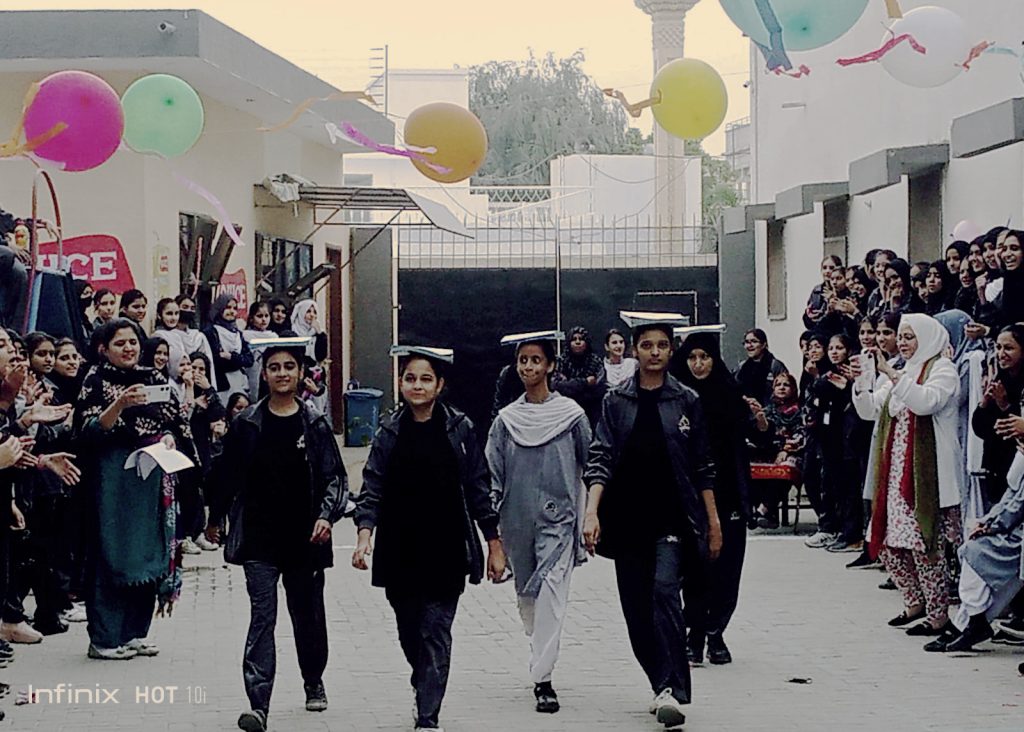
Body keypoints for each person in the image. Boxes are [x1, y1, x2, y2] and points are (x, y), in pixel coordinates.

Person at [353, 345, 504, 732]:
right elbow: (372, 485)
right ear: (401, 384)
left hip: (447, 547)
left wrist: (494, 543)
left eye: (425, 379)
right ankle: (422, 680)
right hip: (399, 549)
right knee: (409, 630)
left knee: (435, 630)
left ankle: (428, 717)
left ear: (439, 385)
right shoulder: (389, 431)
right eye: (410, 378)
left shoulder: (460, 428)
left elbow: (478, 487)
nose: (417, 386)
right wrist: (364, 535)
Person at [205, 337, 348, 732]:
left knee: (307, 615)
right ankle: (259, 704)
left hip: (306, 539)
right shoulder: (247, 423)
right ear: (264, 375)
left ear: (300, 374)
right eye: (274, 368)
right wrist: (215, 518)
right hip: (259, 538)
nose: (282, 374)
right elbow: (227, 474)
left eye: (289, 367)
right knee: (262, 618)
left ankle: (313, 678)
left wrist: (326, 517)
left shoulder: (314, 423)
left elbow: (335, 478)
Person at [583, 312, 718, 729]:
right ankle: (659, 683)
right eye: (646, 345)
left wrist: (713, 522)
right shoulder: (616, 401)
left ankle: (672, 688)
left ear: (670, 350)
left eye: (661, 345)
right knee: (636, 610)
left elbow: (703, 466)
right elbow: (600, 457)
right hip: (626, 520)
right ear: (634, 350)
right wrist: (591, 511)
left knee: (664, 593)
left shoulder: (686, 400)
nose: (654, 352)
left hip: (673, 518)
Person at [486, 332, 591, 713]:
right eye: (523, 360)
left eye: (535, 360)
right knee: (529, 599)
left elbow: (590, 464)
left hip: (559, 522)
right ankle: (539, 648)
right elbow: (492, 475)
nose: (528, 367)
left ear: (550, 366)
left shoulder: (571, 416)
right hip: (517, 523)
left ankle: (543, 679)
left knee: (552, 594)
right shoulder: (506, 421)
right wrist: (493, 534)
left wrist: (590, 515)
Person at [75, 318, 192, 660]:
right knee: (113, 552)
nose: (128, 348)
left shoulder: (153, 377)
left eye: (133, 342)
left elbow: (173, 421)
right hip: (112, 480)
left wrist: (168, 437)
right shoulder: (95, 379)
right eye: (120, 343)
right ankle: (104, 638)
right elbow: (87, 431)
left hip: (150, 475)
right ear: (104, 349)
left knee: (149, 552)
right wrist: (120, 405)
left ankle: (134, 633)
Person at [852, 314, 963, 637]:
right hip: (895, 475)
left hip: (927, 480)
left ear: (927, 337)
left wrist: (890, 373)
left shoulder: (942, 369)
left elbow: (925, 403)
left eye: (909, 336)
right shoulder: (903, 372)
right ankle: (915, 602)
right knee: (886, 542)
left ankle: (938, 615)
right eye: (900, 336)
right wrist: (861, 382)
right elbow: (871, 410)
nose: (902, 343)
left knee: (924, 546)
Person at [673, 332, 749, 666]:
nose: (698, 364)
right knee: (695, 567)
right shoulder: (677, 398)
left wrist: (760, 422)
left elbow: (748, 440)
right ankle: (695, 634)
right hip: (689, 495)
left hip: (728, 493)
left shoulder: (730, 393)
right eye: (692, 357)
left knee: (728, 567)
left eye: (704, 357)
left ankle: (716, 632)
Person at [971, 325, 1024, 509]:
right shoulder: (1000, 379)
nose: (1001, 354)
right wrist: (984, 403)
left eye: (1008, 348)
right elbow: (981, 429)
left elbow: (1015, 428)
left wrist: (1005, 405)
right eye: (998, 347)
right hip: (995, 468)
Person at [749, 372, 805, 529]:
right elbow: (760, 435)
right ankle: (768, 514)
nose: (782, 388)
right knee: (750, 466)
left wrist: (786, 450)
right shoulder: (767, 410)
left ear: (793, 389)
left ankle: (763, 509)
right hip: (769, 452)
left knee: (784, 468)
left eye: (786, 385)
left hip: (793, 452)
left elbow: (802, 434)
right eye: (778, 385)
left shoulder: (800, 410)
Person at [152, 296, 216, 387]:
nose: (173, 317)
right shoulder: (159, 336)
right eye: (185, 307)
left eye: (192, 308)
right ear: (160, 315)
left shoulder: (198, 336)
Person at [552, 326, 606, 427]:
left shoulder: (595, 362)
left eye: (581, 339)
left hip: (592, 412)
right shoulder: (561, 361)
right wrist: (585, 382)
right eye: (574, 339)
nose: (577, 342)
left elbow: (599, 389)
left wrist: (571, 385)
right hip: (566, 412)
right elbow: (556, 386)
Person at [203, 294, 253, 403]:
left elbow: (249, 360)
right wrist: (237, 360)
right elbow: (216, 361)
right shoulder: (210, 333)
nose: (231, 311)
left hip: (239, 383)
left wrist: (230, 356)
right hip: (222, 385)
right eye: (228, 307)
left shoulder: (237, 334)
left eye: (235, 308)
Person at [289, 300, 329, 411]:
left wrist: (319, 333)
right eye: (308, 311)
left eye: (314, 312)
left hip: (315, 379)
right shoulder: (293, 332)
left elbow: (321, 356)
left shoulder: (318, 334)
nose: (312, 315)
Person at [736, 328, 788, 406]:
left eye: (754, 341)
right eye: (747, 342)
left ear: (763, 344)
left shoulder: (774, 366)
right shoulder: (742, 366)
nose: (749, 345)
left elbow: (786, 391)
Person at [242, 302, 273, 400]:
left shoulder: (273, 337)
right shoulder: (245, 336)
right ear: (251, 318)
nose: (264, 319)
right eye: (259, 316)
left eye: (266, 316)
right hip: (250, 377)